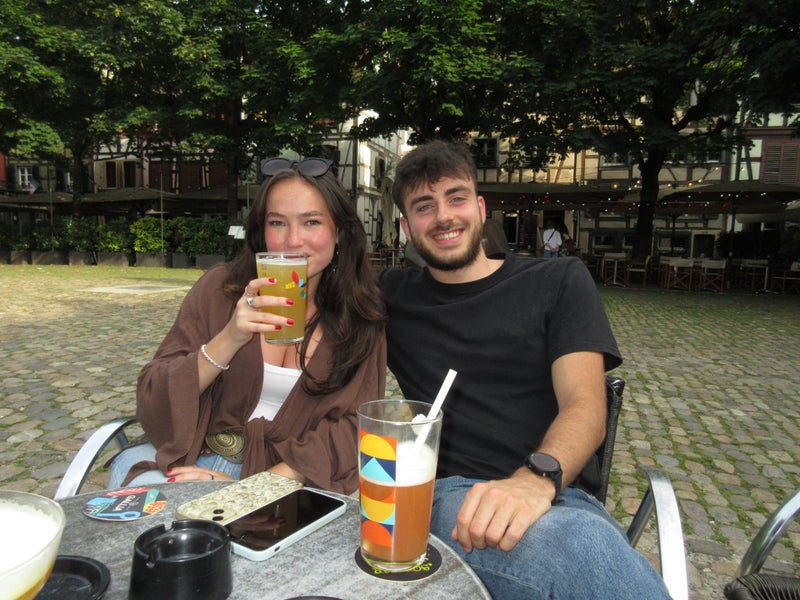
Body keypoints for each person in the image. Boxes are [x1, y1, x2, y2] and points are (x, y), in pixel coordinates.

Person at [379, 140, 671, 599]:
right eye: (424, 206)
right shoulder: (391, 296)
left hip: (558, 492)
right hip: (452, 496)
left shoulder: (558, 280)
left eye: (456, 198)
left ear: (480, 208)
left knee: (585, 542)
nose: (443, 217)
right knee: (579, 549)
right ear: (405, 227)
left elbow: (586, 404)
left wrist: (537, 480)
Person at [108, 157, 387, 495]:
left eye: (311, 222)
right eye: (277, 222)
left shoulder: (360, 318)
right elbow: (153, 397)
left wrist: (254, 488)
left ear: (339, 231)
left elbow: (355, 426)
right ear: (261, 230)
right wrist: (229, 338)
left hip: (284, 481)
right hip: (189, 461)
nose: (292, 240)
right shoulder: (219, 290)